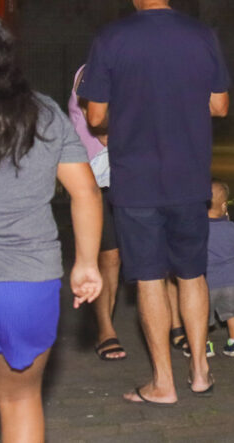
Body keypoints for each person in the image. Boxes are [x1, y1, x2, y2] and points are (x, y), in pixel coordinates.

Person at [0, 3, 103, 441]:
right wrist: (86, 263)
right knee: (21, 401)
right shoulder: (43, 111)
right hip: (31, 285)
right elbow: (85, 191)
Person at [79, 0, 231, 405]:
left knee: (147, 278)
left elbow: (94, 117)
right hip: (189, 178)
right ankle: (200, 371)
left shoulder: (110, 40)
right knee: (192, 275)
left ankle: (163, 383)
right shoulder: (202, 35)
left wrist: (123, 112)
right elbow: (220, 106)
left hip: (136, 180)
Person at [69, 64, 126, 362]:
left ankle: (175, 324)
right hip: (95, 177)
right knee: (109, 255)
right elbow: (100, 126)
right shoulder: (91, 72)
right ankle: (105, 329)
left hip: (134, 172)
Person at [204, 179, 234, 357]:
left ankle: (205, 346)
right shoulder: (231, 228)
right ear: (224, 206)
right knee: (233, 312)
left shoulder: (200, 229)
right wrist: (227, 220)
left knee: (201, 317)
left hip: (207, 283)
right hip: (230, 282)